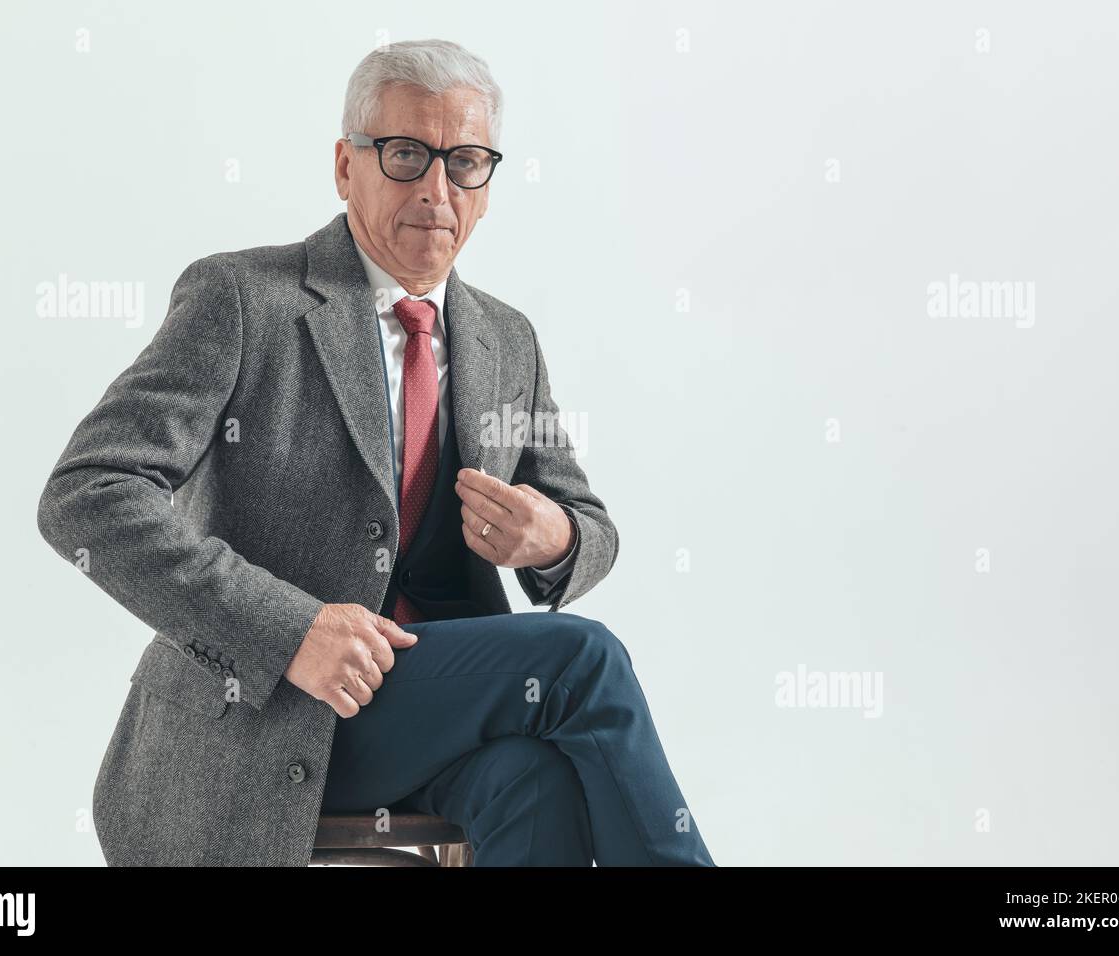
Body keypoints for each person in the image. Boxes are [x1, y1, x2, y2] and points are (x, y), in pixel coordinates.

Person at [37, 37, 714, 866]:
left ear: (487, 186)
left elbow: (589, 524)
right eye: (405, 155)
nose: (437, 190)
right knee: (583, 658)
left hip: (433, 710)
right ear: (344, 166)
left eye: (464, 162)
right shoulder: (244, 301)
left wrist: (556, 540)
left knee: (533, 779)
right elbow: (88, 496)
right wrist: (293, 631)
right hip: (268, 712)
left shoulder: (506, 341)